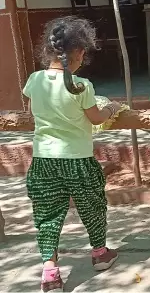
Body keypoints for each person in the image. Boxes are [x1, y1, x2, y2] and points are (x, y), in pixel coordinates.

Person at [23, 16, 123, 292]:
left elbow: (32, 111)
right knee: (92, 207)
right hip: (78, 161)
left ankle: (50, 272)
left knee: (47, 215)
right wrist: (112, 108)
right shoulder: (81, 86)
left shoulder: (34, 80)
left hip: (43, 162)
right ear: (79, 52)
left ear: (49, 50)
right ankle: (100, 253)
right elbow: (95, 118)